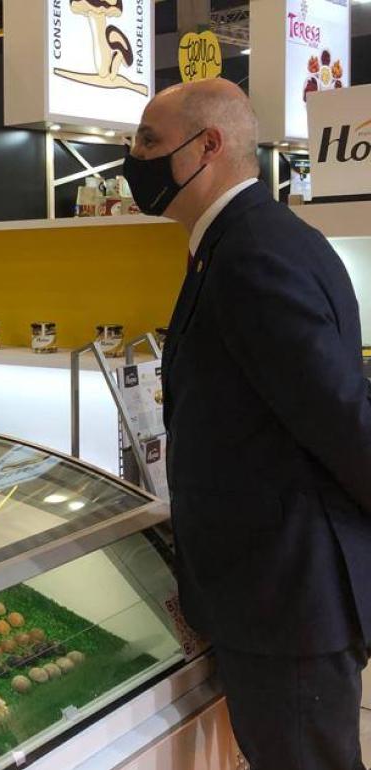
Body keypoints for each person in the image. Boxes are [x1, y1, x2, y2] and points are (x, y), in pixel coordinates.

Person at [126, 78, 371, 770]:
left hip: (286, 597)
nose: (133, 160)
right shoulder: (243, 240)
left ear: (208, 146)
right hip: (274, 590)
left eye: (148, 142)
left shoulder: (251, 253)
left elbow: (339, 417)